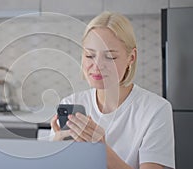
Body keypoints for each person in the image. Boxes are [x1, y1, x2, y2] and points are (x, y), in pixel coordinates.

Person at [50, 11, 175, 169]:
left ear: (131, 58)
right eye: (89, 55)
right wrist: (55, 151)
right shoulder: (71, 104)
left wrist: (103, 152)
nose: (97, 66)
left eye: (110, 57)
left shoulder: (156, 110)